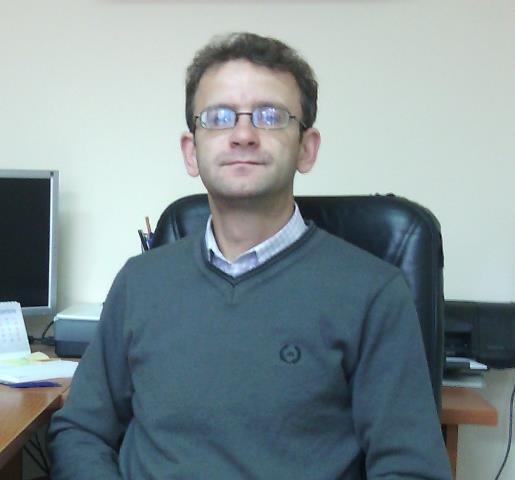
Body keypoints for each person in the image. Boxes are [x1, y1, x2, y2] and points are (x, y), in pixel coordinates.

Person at [48, 32, 451, 479]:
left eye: (270, 116)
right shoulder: (140, 282)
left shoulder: (373, 293)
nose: (243, 134)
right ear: (191, 152)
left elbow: (411, 469)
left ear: (307, 148)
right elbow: (80, 430)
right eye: (218, 117)